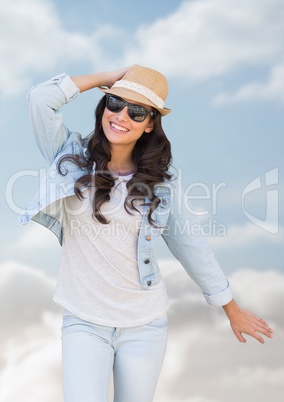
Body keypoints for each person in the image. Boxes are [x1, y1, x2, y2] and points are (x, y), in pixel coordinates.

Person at [19, 65, 273, 402]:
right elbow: (40, 99)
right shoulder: (70, 156)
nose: (122, 115)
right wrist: (105, 78)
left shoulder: (162, 186)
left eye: (137, 111)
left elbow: (191, 245)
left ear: (150, 124)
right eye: (114, 103)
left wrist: (231, 308)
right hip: (84, 321)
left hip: (144, 325)